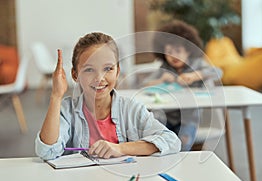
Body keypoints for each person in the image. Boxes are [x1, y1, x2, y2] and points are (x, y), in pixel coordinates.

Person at [35, 32, 181, 160]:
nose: (99, 78)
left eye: (108, 69)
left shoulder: (131, 109)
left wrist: (120, 148)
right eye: (89, 70)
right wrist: (56, 96)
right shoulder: (67, 111)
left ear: (117, 72)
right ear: (75, 75)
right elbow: (46, 151)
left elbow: (171, 141)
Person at [143, 20, 221, 151]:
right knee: (157, 141)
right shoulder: (165, 68)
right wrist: (161, 80)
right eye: (169, 51)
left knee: (184, 144)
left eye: (178, 51)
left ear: (188, 51)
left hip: (189, 118)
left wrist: (196, 75)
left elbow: (218, 72)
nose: (174, 56)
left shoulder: (196, 64)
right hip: (166, 117)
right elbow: (145, 84)